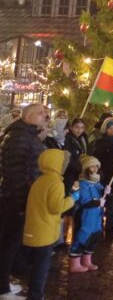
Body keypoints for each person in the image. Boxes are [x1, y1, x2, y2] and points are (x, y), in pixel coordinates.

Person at [0, 103, 46, 297]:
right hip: (16, 201)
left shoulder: (25, 135)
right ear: (28, 117)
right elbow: (17, 174)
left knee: (10, 243)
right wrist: (23, 203)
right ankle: (2, 289)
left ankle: (4, 281)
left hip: (17, 198)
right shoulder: (20, 137)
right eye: (41, 113)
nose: (45, 116)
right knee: (8, 244)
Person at [23, 149, 80, 300]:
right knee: (41, 268)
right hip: (45, 232)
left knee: (35, 266)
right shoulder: (56, 183)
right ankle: (36, 296)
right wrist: (73, 198)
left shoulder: (40, 180)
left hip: (35, 229)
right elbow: (56, 207)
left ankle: (32, 293)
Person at [69, 155, 109, 273]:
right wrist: (97, 202)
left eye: (96, 166)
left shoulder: (97, 183)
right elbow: (83, 199)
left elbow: (102, 194)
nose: (95, 169)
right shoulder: (82, 184)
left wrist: (105, 191)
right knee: (82, 236)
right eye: (92, 167)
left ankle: (87, 260)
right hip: (86, 215)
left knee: (94, 236)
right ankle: (75, 262)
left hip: (96, 216)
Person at [91, 117, 113, 236]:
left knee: (112, 204)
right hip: (103, 176)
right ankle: (98, 225)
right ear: (105, 129)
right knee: (101, 203)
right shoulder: (100, 142)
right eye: (109, 127)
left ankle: (110, 226)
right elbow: (96, 154)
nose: (112, 130)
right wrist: (108, 148)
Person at [63, 118, 88, 195]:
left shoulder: (83, 139)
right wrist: (80, 168)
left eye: (81, 127)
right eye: (77, 127)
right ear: (71, 127)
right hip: (70, 173)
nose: (79, 130)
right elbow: (69, 157)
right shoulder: (67, 139)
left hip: (80, 173)